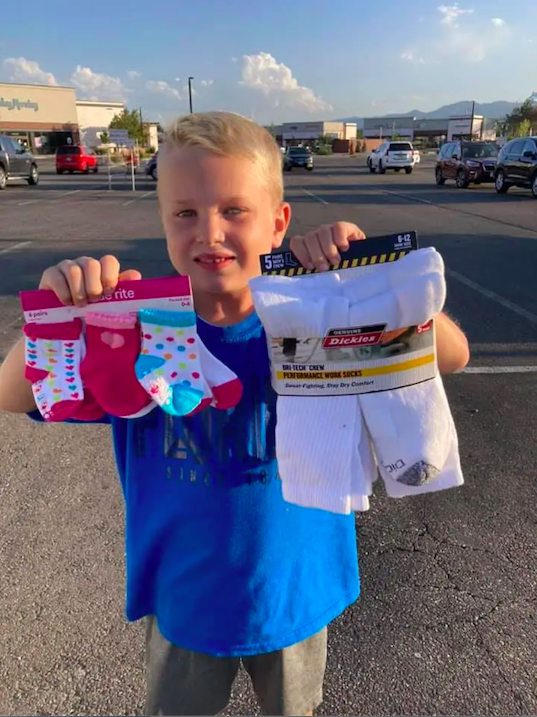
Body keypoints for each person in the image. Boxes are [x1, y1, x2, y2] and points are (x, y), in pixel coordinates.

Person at [0, 111, 470, 717]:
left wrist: (367, 280)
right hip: (184, 606)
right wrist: (57, 316)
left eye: (234, 211)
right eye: (186, 213)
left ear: (278, 225)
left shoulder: (322, 323)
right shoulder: (135, 335)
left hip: (296, 598)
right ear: (164, 223)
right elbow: (15, 393)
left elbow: (450, 356)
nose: (209, 232)